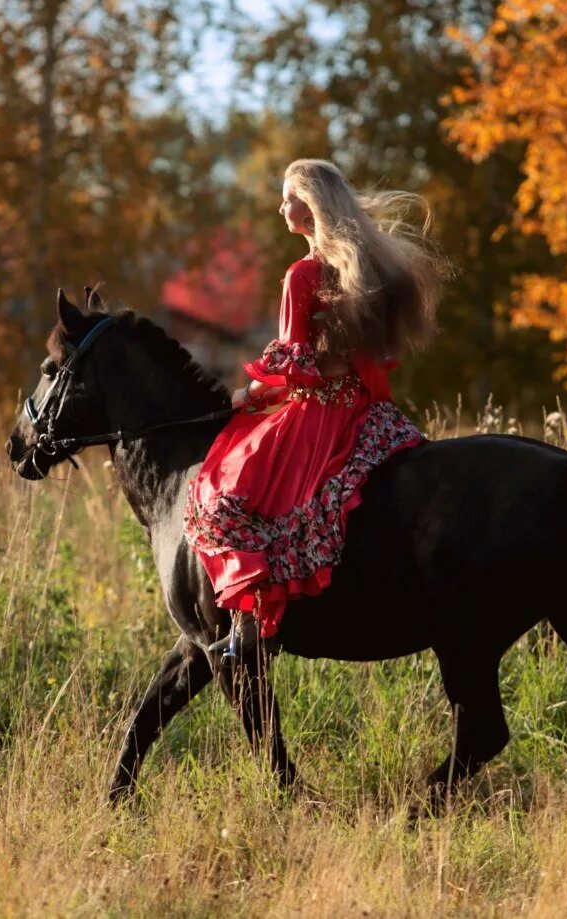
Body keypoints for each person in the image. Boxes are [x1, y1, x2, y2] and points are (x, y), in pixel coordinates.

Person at [184, 159, 448, 658]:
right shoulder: (365, 268)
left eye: (288, 198)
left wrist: (246, 396)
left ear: (310, 208)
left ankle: (249, 621)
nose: (280, 207)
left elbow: (294, 364)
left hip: (319, 415)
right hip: (366, 411)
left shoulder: (303, 273)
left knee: (223, 496)